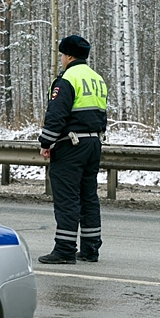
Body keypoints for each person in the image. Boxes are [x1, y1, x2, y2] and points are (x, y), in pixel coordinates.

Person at [37, 35, 107, 264]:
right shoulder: (97, 79)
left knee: (67, 198)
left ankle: (65, 250)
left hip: (71, 144)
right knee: (88, 196)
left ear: (67, 56)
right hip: (93, 143)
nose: (61, 59)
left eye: (61, 55)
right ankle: (90, 248)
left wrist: (46, 142)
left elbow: (57, 115)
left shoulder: (67, 78)